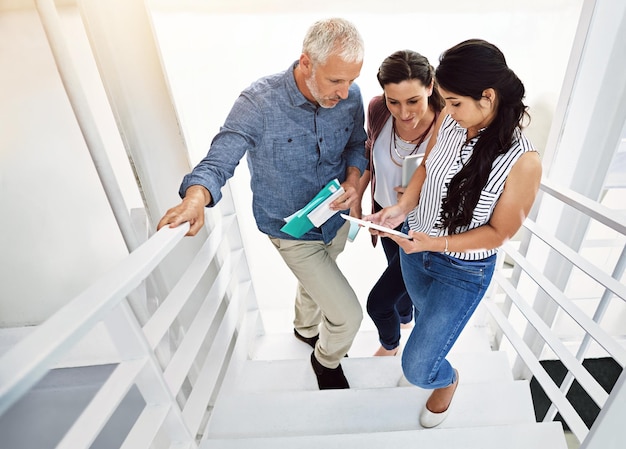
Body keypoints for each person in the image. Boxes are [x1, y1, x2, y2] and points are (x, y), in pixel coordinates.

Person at [157, 18, 368, 390]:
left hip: (335, 219)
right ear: (306, 62)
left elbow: (355, 143)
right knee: (348, 316)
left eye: (350, 80)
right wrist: (195, 198)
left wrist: (353, 181)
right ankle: (325, 359)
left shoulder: (350, 97)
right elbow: (221, 157)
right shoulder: (258, 103)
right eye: (336, 80)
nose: (345, 91)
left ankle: (305, 331)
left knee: (318, 281)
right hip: (290, 229)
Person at [363, 39, 542, 427]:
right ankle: (430, 359)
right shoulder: (450, 119)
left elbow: (498, 234)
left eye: (455, 102)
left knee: (417, 368)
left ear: (488, 96)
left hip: (462, 271)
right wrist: (400, 209)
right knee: (427, 326)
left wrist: (437, 242)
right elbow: (426, 169)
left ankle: (447, 380)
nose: (447, 110)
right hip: (416, 251)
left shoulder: (523, 161)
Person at [352, 50, 445, 357]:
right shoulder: (377, 109)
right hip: (383, 216)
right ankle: (404, 320)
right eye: (394, 101)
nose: (403, 112)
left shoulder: (447, 127)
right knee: (402, 287)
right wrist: (358, 195)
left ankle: (391, 345)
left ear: (430, 87)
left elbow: (460, 184)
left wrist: (422, 191)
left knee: (379, 304)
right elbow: (369, 156)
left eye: (413, 101)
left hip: (418, 227)